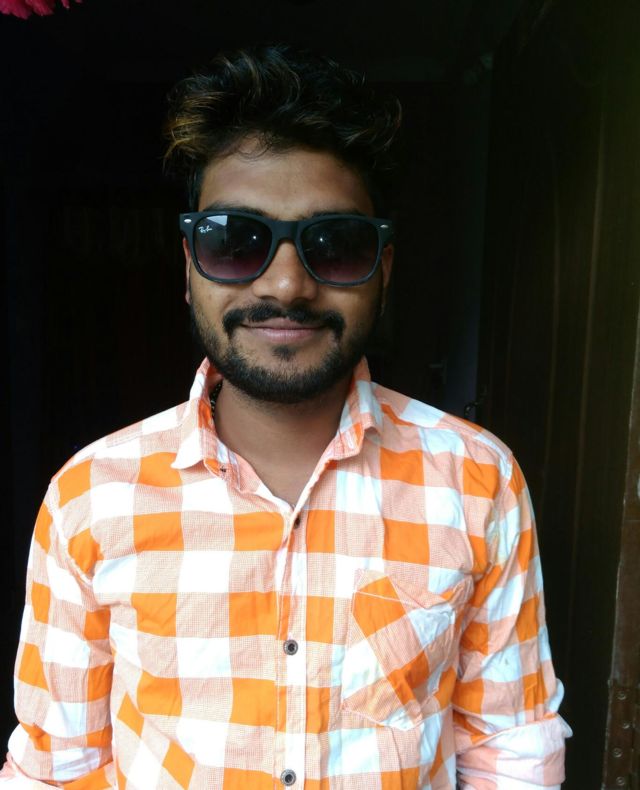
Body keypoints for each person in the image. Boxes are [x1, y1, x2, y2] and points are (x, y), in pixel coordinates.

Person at [2, 44, 570, 789]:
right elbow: (57, 769)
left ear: (383, 270)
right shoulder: (90, 497)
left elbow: (510, 752)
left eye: (336, 245)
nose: (286, 285)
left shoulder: (477, 480)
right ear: (188, 265)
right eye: (235, 241)